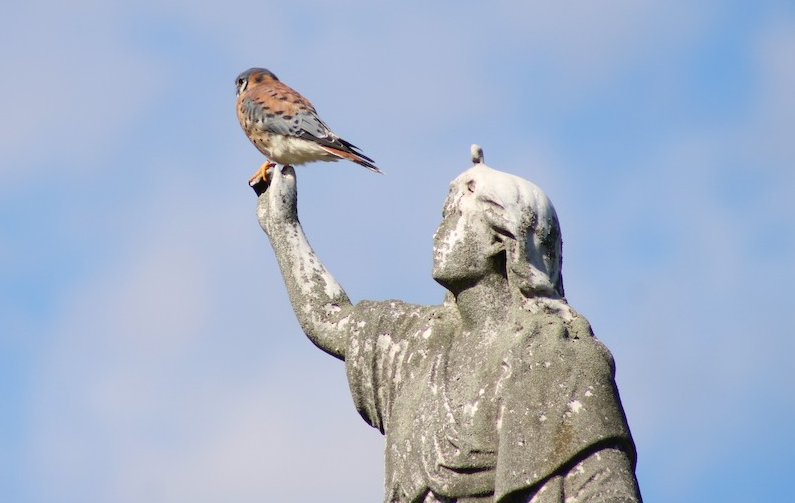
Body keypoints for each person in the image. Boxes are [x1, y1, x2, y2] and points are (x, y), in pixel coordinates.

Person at [254, 147, 641, 503]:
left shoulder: (563, 364)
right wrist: (283, 226)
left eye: (452, 217)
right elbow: (329, 318)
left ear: (501, 238)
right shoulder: (416, 345)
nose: (437, 233)